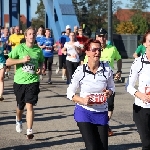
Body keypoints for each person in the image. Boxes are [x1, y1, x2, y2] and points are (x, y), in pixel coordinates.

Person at [67, 38, 115, 150]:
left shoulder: (107, 69)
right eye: (94, 50)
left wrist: (109, 92)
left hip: (101, 112)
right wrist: (82, 100)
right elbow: (70, 93)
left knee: (102, 148)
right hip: (84, 112)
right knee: (92, 147)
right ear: (87, 52)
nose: (97, 52)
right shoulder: (80, 70)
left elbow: (112, 87)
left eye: (99, 50)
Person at [6, 27, 44, 139]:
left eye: (33, 34)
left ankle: (29, 130)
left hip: (33, 81)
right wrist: (21, 60)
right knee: (20, 106)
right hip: (19, 81)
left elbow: (41, 62)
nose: (32, 36)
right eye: (30, 34)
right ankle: (18, 119)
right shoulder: (19, 48)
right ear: (26, 36)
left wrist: (40, 69)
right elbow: (8, 61)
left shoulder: (38, 50)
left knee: (30, 105)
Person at [84, 28, 122, 136]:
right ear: (96, 37)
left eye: (104, 36)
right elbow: (85, 65)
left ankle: (106, 124)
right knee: (96, 105)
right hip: (94, 82)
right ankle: (100, 124)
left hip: (108, 82)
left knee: (109, 105)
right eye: (100, 36)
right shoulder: (92, 50)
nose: (102, 38)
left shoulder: (112, 49)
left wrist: (119, 71)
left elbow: (119, 59)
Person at [126, 30, 150, 150]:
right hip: (142, 108)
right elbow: (129, 86)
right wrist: (139, 94)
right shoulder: (138, 62)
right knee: (147, 143)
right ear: (145, 44)